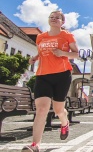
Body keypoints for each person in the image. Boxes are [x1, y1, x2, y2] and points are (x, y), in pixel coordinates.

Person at [22, 11, 79, 152]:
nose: (54, 19)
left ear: (62, 22)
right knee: (41, 109)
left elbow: (76, 54)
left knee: (59, 109)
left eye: (57, 18)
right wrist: (35, 57)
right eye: (51, 17)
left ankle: (64, 122)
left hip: (62, 74)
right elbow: (42, 51)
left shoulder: (66, 35)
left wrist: (63, 53)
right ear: (48, 20)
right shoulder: (41, 37)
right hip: (43, 75)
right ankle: (35, 145)